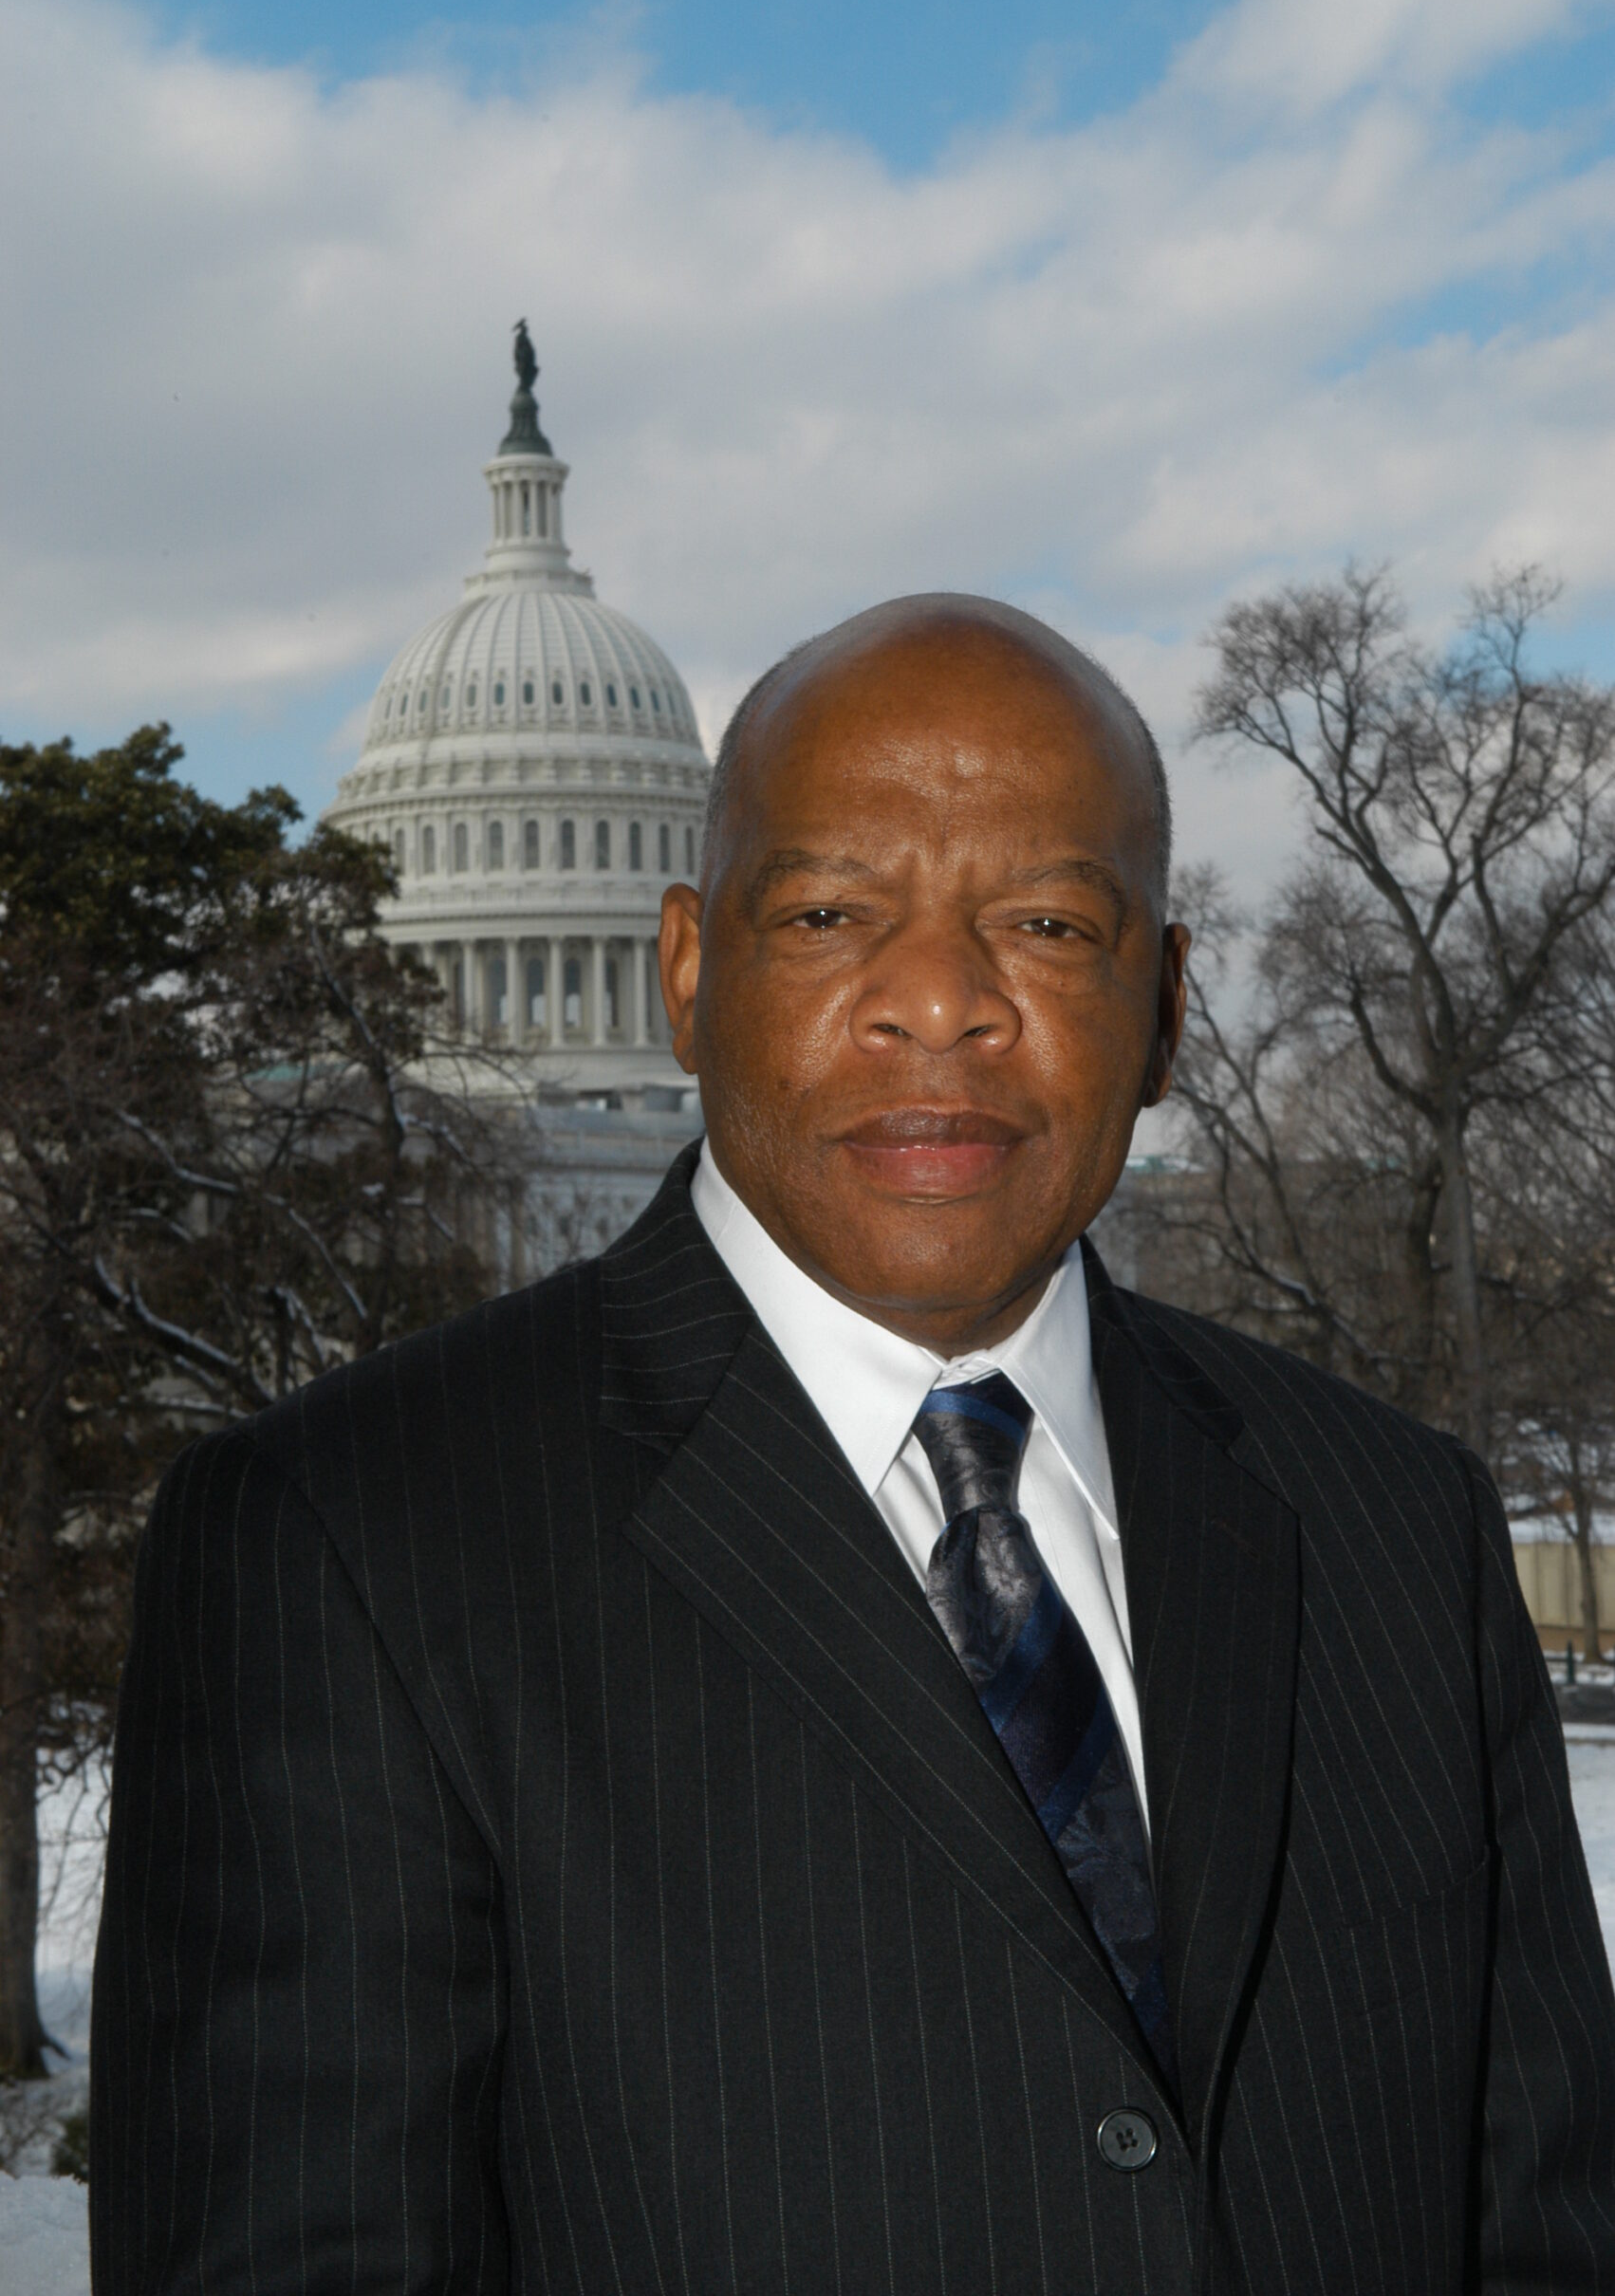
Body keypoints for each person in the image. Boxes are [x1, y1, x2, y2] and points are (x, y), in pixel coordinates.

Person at [91, 597, 1615, 2292]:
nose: (938, 1008)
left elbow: (1544, 2218)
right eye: (828, 914)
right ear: (685, 973)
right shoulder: (340, 1545)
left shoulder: (1395, 1527)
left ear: (1167, 1007)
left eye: (1043, 923)